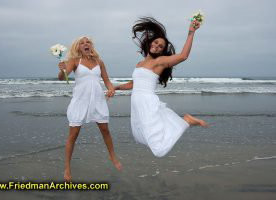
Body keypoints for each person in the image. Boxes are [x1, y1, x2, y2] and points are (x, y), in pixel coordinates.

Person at [114, 17, 208, 157]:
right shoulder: (139, 64)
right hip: (137, 106)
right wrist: (115, 88)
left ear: (162, 51)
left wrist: (191, 32)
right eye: (156, 42)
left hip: (147, 103)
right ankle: (183, 121)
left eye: (161, 46)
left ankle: (185, 121)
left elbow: (183, 56)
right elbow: (133, 84)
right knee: (141, 137)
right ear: (151, 42)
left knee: (158, 150)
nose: (157, 46)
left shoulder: (160, 61)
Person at [58, 36, 121, 182]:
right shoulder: (75, 61)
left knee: (105, 130)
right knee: (73, 135)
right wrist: (62, 70)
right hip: (80, 101)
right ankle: (67, 167)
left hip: (98, 100)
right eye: (82, 42)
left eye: (88, 42)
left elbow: (107, 81)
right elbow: (63, 77)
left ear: (91, 45)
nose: (86, 44)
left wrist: (111, 89)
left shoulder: (99, 62)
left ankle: (113, 156)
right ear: (78, 47)